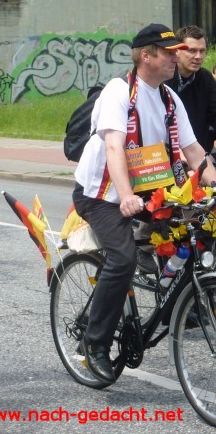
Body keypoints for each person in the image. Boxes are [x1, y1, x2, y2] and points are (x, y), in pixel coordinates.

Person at [72, 23, 216, 385]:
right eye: (169, 52)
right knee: (123, 259)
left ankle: (177, 307)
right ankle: (96, 344)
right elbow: (114, 147)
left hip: (150, 192)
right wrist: (124, 197)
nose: (176, 57)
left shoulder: (169, 98)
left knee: (194, 238)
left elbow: (196, 152)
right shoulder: (119, 92)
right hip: (102, 195)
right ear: (146, 55)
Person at [165, 25, 216, 154]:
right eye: (192, 51)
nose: (198, 56)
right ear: (177, 51)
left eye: (202, 51)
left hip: (199, 153)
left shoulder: (206, 78)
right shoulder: (164, 78)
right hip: (166, 155)